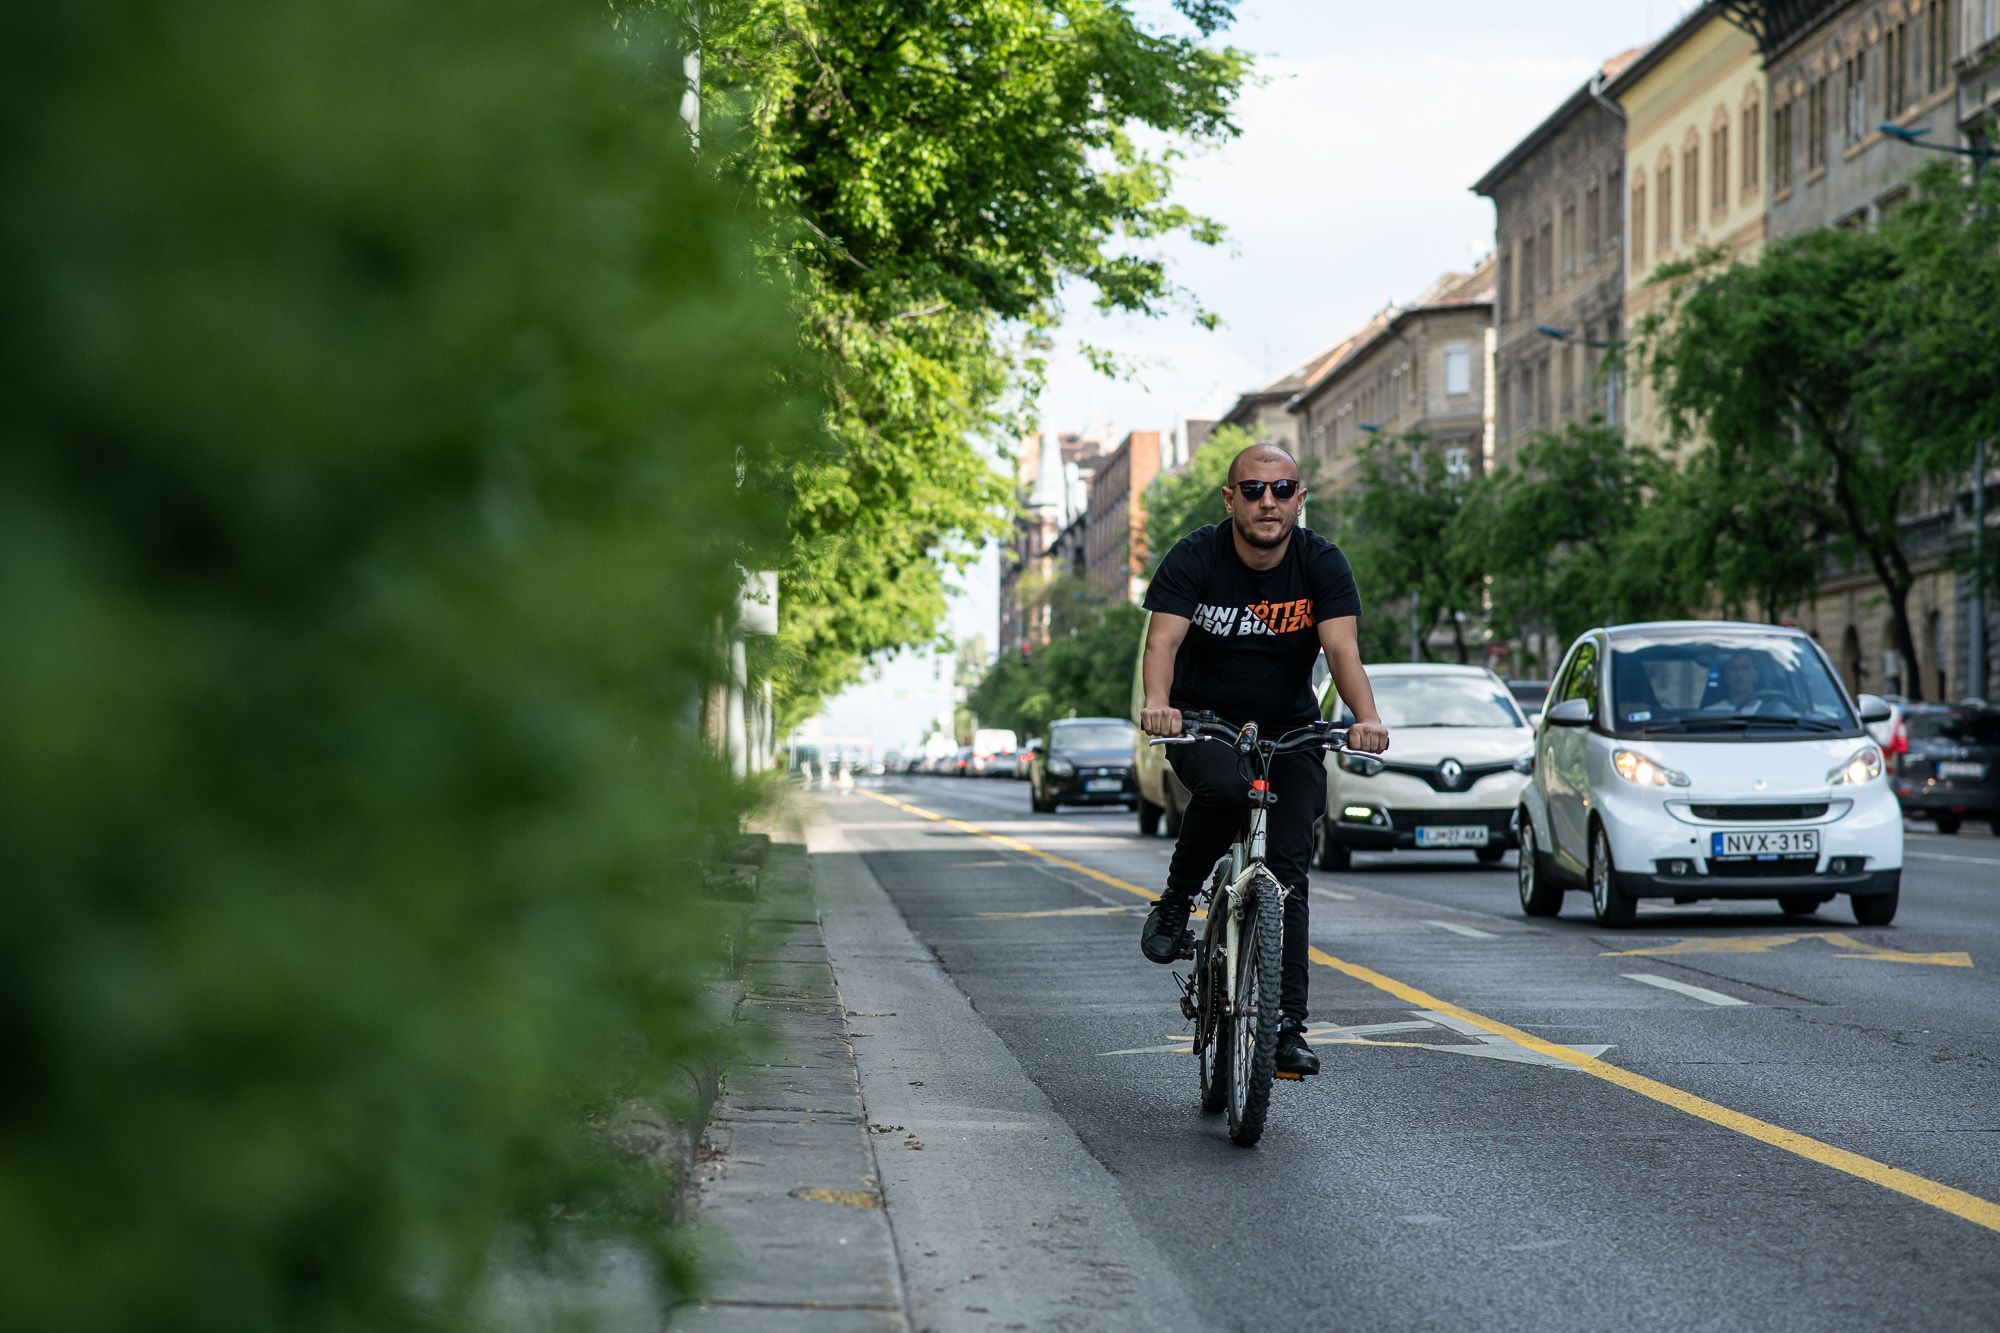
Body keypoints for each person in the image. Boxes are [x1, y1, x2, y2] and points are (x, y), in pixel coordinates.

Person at [1136, 443, 1390, 1077]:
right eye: (1252, 491)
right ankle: (1175, 901)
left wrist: (1367, 719)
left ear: (1300, 499)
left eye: (1282, 490)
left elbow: (1341, 650)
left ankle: (1284, 1029)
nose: (1267, 502)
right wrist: (1159, 705)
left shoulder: (1321, 561)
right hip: (1205, 721)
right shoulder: (1196, 556)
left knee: (1288, 872)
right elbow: (1162, 639)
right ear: (1230, 499)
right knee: (1221, 795)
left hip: (1292, 728)